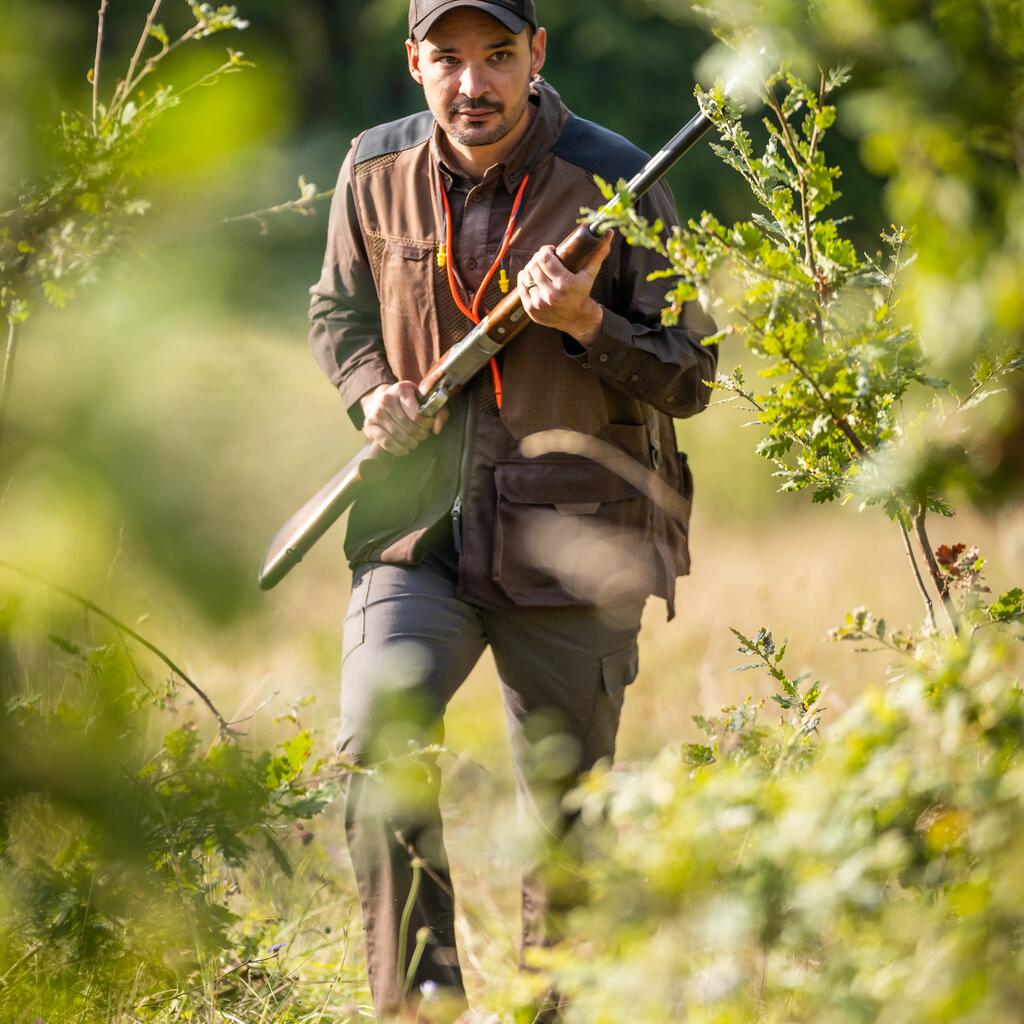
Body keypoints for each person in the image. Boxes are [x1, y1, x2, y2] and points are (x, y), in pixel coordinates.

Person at [308, 1, 717, 1019]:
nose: (471, 84)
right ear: (414, 62)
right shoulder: (370, 171)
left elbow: (692, 372)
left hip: (573, 539)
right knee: (376, 739)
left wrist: (587, 323)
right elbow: (336, 314)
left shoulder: (617, 178)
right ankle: (428, 997)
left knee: (567, 822)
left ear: (537, 54)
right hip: (416, 535)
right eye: (447, 58)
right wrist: (373, 392)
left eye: (496, 56)